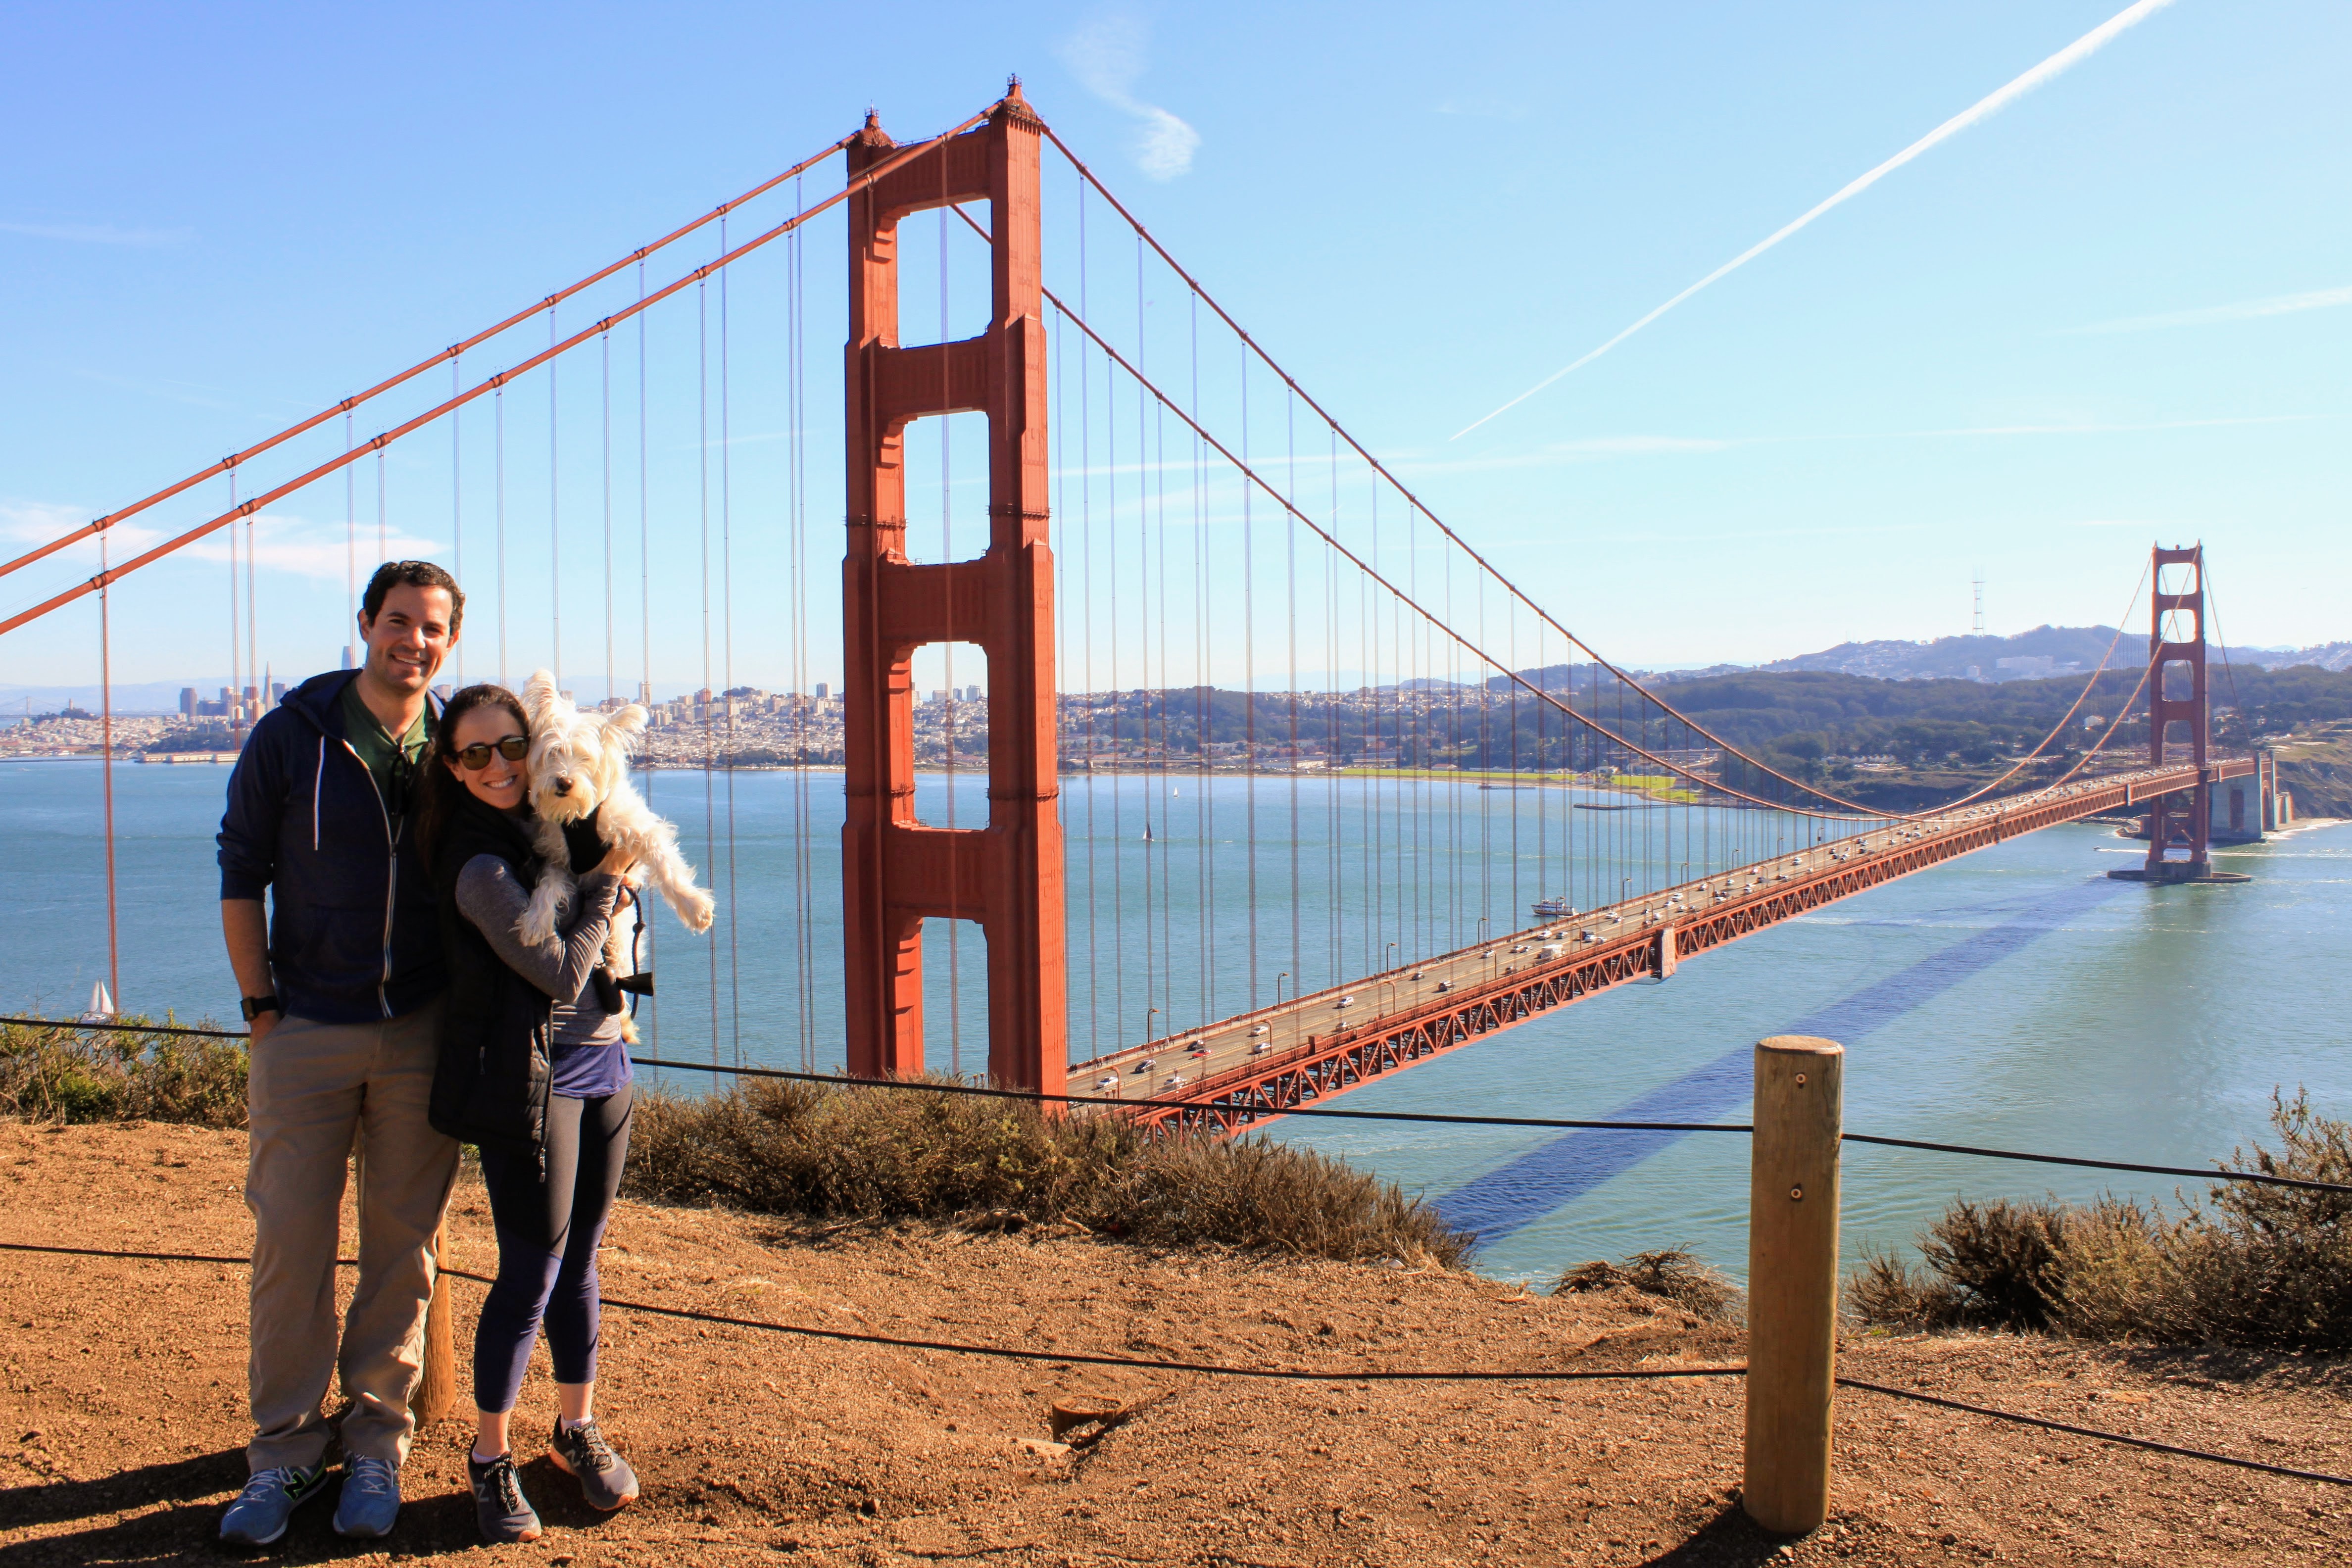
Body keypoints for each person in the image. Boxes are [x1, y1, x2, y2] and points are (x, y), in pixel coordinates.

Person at [215, 560, 464, 1546]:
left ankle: (374, 1445)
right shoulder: (291, 738)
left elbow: (539, 844)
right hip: (305, 1029)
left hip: (420, 1031)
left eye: (433, 628)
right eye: (398, 621)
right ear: (365, 625)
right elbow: (240, 873)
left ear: (450, 642)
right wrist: (261, 1010)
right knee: (290, 1249)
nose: (414, 640)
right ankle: (281, 1455)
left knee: (404, 1254)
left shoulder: (463, 745)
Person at [416, 683, 643, 1543]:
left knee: (583, 1260)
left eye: (511, 746)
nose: (501, 765)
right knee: (531, 1273)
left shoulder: (554, 832)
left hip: (606, 1065)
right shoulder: (480, 866)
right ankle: (488, 1457)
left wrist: (618, 901)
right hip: (534, 1083)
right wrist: (612, 887)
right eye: (476, 754)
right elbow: (557, 973)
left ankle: (573, 1430)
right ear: (454, 768)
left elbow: (616, 961)